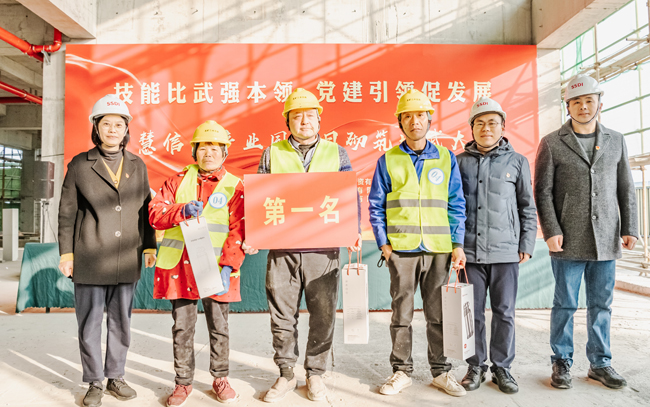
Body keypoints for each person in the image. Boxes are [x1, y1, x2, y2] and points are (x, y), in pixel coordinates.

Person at [256, 88, 361, 403]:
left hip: (323, 249)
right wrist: (255, 234)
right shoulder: (271, 153)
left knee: (323, 313)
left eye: (310, 116)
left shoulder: (337, 152)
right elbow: (259, 197)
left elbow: (348, 194)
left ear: (319, 119)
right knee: (281, 314)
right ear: (287, 121)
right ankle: (286, 373)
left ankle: (315, 373)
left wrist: (354, 230)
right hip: (283, 250)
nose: (304, 121)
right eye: (297, 116)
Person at [534, 74, 638, 390]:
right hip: (567, 238)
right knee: (565, 303)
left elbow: (626, 187)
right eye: (576, 102)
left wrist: (630, 227)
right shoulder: (552, 142)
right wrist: (551, 230)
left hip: (606, 237)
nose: (583, 107)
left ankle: (600, 363)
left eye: (588, 101)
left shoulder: (616, 140)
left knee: (601, 304)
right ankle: (561, 361)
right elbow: (542, 191)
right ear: (567, 106)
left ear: (599, 104)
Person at [58, 94, 157, 407]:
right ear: (96, 128)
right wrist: (66, 254)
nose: (113, 130)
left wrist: (149, 245)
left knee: (121, 321)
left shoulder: (137, 165)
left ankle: (116, 376)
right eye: (106, 124)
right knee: (89, 323)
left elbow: (146, 209)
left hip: (127, 256)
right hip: (90, 255)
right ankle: (94, 381)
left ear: (126, 129)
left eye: (118, 124)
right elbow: (66, 212)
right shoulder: (80, 164)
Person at [368, 89, 467, 398]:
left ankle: (441, 371)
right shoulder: (388, 160)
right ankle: (401, 371)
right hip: (402, 250)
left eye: (420, 115)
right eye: (408, 116)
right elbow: (376, 205)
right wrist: (384, 244)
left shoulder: (446, 158)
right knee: (402, 314)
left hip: (438, 249)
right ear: (400, 122)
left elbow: (456, 203)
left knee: (438, 314)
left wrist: (457, 243)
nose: (415, 121)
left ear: (429, 119)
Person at [148, 120, 247, 406]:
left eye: (216, 148)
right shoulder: (177, 181)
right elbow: (155, 213)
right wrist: (181, 210)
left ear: (225, 152)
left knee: (219, 327)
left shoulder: (234, 186)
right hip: (180, 267)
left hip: (216, 267)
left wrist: (228, 266)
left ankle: (220, 378)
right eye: (203, 147)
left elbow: (239, 228)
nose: (209, 153)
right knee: (182, 328)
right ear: (194, 151)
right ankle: (182, 383)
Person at [456, 97, 537, 394]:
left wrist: (526, 242)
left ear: (503, 127)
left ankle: (502, 367)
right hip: (469, 252)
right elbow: (452, 206)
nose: (486, 128)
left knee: (504, 312)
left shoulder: (517, 162)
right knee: (472, 313)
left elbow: (527, 206)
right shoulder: (458, 162)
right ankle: (475, 365)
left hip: (506, 251)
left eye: (492, 122)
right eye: (479, 123)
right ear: (472, 127)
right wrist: (455, 245)